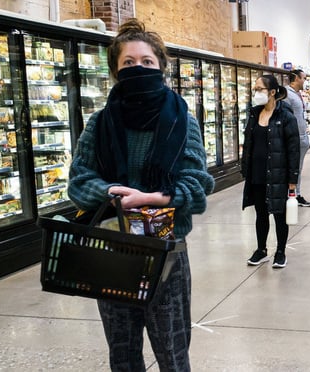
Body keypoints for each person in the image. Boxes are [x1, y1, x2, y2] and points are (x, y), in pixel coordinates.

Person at [67, 19, 214, 371]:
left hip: (166, 252)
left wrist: (147, 198)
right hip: (112, 251)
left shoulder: (182, 121)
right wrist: (110, 192)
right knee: (122, 351)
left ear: (161, 67)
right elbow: (78, 180)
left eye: (147, 61)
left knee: (173, 350)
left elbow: (196, 185)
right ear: (116, 71)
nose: (139, 68)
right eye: (128, 63)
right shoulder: (100, 122)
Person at [242, 74, 300, 268]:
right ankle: (261, 250)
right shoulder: (254, 113)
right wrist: (245, 168)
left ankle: (281, 251)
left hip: (278, 174)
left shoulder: (286, 116)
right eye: (255, 89)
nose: (256, 93)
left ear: (272, 92)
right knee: (260, 213)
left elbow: (293, 150)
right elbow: (249, 143)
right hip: (257, 173)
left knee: (279, 214)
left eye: (260, 89)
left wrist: (293, 179)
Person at [284, 69, 310, 207]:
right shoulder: (287, 95)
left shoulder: (297, 94)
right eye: (304, 78)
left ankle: (295, 193)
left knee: (298, 168)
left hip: (301, 136)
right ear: (296, 78)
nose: (305, 81)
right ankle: (294, 194)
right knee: (293, 168)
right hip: (293, 138)